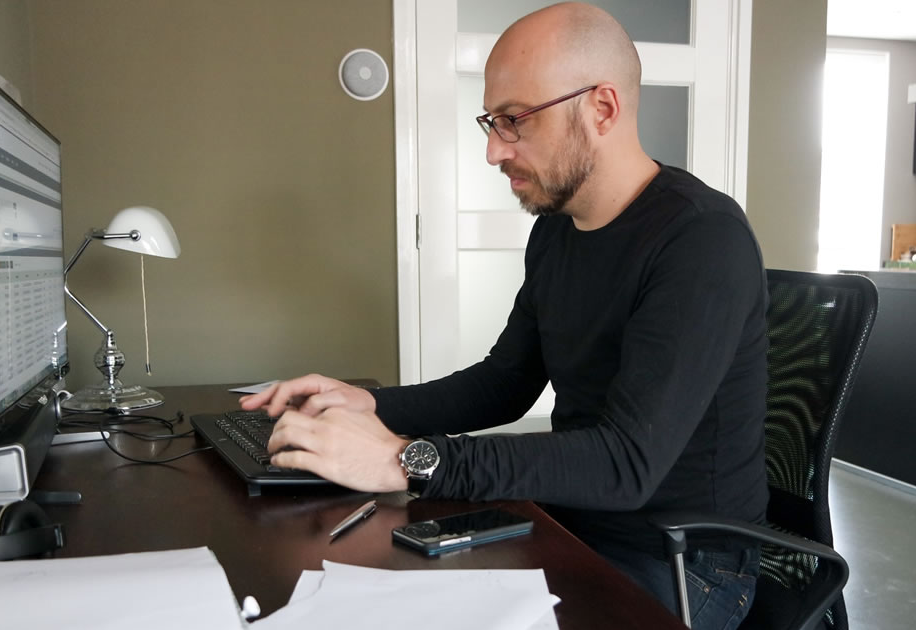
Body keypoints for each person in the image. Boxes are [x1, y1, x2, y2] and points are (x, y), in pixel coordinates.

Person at [241, 3, 768, 628]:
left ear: (602, 108)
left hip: (685, 562)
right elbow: (507, 382)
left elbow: (625, 464)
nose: (494, 151)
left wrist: (405, 458)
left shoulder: (701, 239)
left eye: (515, 121)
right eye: (491, 121)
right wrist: (370, 408)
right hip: (572, 518)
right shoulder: (556, 229)